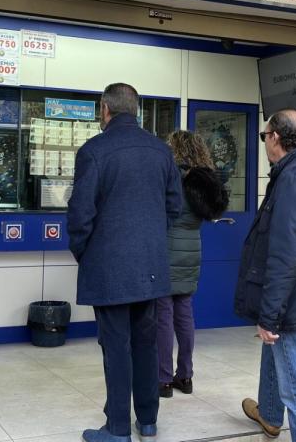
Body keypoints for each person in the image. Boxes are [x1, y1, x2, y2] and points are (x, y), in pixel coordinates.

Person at [67, 83, 182, 442]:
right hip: (150, 266)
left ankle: (117, 429)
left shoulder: (94, 151)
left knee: (116, 347)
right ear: (137, 110)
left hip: (110, 268)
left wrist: (85, 253)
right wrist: (150, 241)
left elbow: (80, 215)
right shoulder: (161, 151)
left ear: (105, 109)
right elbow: (175, 206)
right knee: (146, 343)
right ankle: (147, 420)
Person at [236, 109, 296, 442]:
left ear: (275, 137)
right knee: (275, 351)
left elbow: (285, 254)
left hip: (293, 296)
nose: (265, 142)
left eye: (264, 136)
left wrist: (270, 314)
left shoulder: (294, 179)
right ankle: (269, 412)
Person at [158, 130, 227, 398]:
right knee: (184, 313)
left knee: (163, 316)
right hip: (192, 251)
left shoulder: (173, 176)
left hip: (167, 250)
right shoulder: (203, 180)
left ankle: (163, 379)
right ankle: (185, 376)